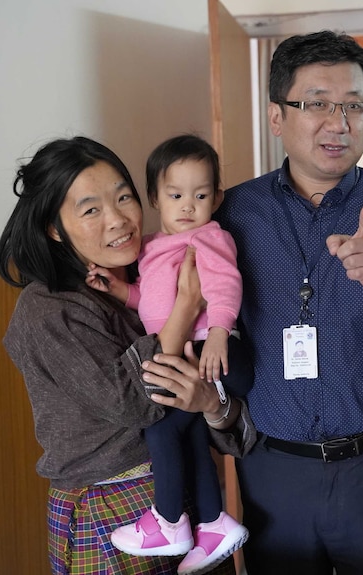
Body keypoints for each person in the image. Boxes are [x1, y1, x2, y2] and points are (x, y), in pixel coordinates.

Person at [214, 30, 363, 575]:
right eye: (316, 103)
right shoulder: (234, 213)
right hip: (274, 467)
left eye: (354, 105)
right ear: (277, 116)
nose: (339, 123)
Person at [0, 136, 255, 575]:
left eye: (123, 198)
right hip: (111, 513)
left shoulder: (160, 269)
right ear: (54, 229)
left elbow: (231, 422)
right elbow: (133, 404)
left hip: (194, 506)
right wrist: (186, 309)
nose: (117, 219)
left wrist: (212, 404)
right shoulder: (48, 309)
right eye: (91, 209)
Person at [85, 135, 250, 574]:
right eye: (176, 195)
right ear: (155, 197)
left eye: (200, 195)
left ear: (216, 198)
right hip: (189, 353)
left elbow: (224, 286)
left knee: (159, 429)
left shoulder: (208, 238)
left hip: (210, 351)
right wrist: (121, 290)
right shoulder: (157, 245)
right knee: (190, 436)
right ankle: (213, 524)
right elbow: (153, 300)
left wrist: (219, 331)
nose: (188, 206)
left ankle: (169, 520)